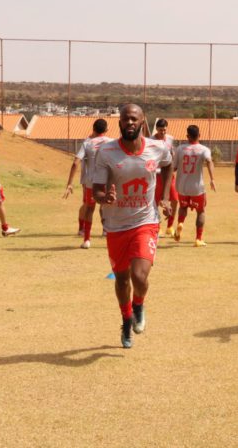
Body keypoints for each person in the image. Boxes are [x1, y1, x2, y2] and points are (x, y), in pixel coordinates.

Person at [92, 104, 172, 349]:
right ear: (119, 122)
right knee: (122, 278)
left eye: (134, 119)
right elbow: (96, 188)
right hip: (116, 225)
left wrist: (165, 196)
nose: (129, 123)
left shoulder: (157, 148)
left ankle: (139, 304)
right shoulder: (106, 152)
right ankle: (126, 319)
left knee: (139, 275)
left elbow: (169, 165)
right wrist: (104, 198)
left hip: (145, 221)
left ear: (142, 121)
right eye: (125, 119)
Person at [64, 119, 112, 248]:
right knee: (107, 207)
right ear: (107, 130)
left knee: (89, 208)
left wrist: (69, 183)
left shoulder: (87, 143)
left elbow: (75, 163)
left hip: (91, 182)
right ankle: (108, 232)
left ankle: (86, 239)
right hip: (107, 181)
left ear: (93, 129)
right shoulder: (112, 143)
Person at [172, 124, 216, 246]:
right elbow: (209, 161)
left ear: (187, 136)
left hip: (182, 186)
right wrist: (212, 179)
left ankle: (180, 223)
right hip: (197, 188)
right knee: (200, 211)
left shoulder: (180, 149)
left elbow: (174, 167)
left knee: (183, 207)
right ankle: (198, 238)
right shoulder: (204, 149)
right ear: (199, 136)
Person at [152, 118, 179, 237]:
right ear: (156, 129)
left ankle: (170, 226)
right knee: (155, 202)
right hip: (156, 174)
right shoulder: (150, 141)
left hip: (169, 175)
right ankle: (158, 227)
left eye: (164, 130)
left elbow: (173, 153)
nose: (162, 132)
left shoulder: (170, 139)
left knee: (174, 200)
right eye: (160, 130)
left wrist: (174, 165)